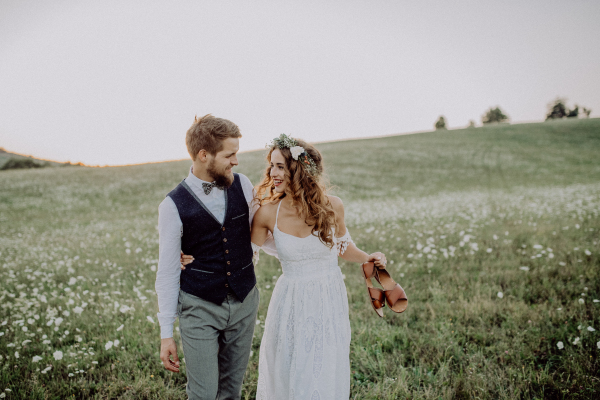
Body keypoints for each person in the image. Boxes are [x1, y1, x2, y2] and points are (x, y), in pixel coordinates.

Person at [250, 134, 387, 399]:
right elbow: (244, 258)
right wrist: (195, 258)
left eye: (280, 166)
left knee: (323, 365)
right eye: (271, 165)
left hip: (327, 296)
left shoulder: (332, 206)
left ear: (298, 169)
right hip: (290, 300)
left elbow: (342, 246)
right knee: (290, 366)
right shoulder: (267, 213)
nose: (272, 172)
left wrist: (368, 257)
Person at [155, 114, 271, 400]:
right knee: (204, 393)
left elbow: (260, 235)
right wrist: (166, 333)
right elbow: (168, 271)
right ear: (204, 155)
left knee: (232, 391)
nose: (236, 162)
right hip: (200, 307)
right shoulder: (172, 205)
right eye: (230, 155)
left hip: (244, 302)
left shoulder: (243, 185)